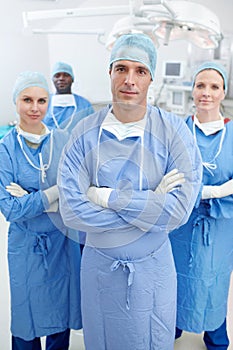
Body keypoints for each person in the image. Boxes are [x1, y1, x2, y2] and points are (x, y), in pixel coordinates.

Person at [57, 33, 202, 350]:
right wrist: (151, 207)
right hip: (100, 271)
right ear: (109, 72)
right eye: (121, 68)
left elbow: (177, 212)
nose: (129, 80)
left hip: (152, 270)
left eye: (140, 70)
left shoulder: (174, 131)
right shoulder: (83, 132)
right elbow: (71, 210)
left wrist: (106, 197)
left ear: (152, 78)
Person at [0, 71, 82, 349]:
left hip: (62, 241)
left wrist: (34, 200)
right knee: (27, 313)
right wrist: (53, 195)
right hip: (26, 246)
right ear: (16, 101)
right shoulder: (5, 149)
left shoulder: (63, 140)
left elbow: (78, 190)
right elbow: (10, 209)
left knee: (62, 309)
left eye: (41, 100)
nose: (35, 108)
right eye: (27, 100)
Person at [169, 62, 233, 350]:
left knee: (213, 282)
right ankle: (171, 331)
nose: (206, 92)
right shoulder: (177, 131)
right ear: (192, 91)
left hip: (219, 229)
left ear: (223, 93)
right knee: (176, 279)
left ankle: (216, 340)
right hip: (180, 226)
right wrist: (214, 190)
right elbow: (167, 180)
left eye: (214, 86)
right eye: (200, 85)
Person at [43, 61, 94, 131]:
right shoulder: (44, 103)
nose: (61, 78)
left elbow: (92, 130)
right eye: (57, 75)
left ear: (72, 79)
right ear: (52, 79)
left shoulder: (85, 105)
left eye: (66, 75)